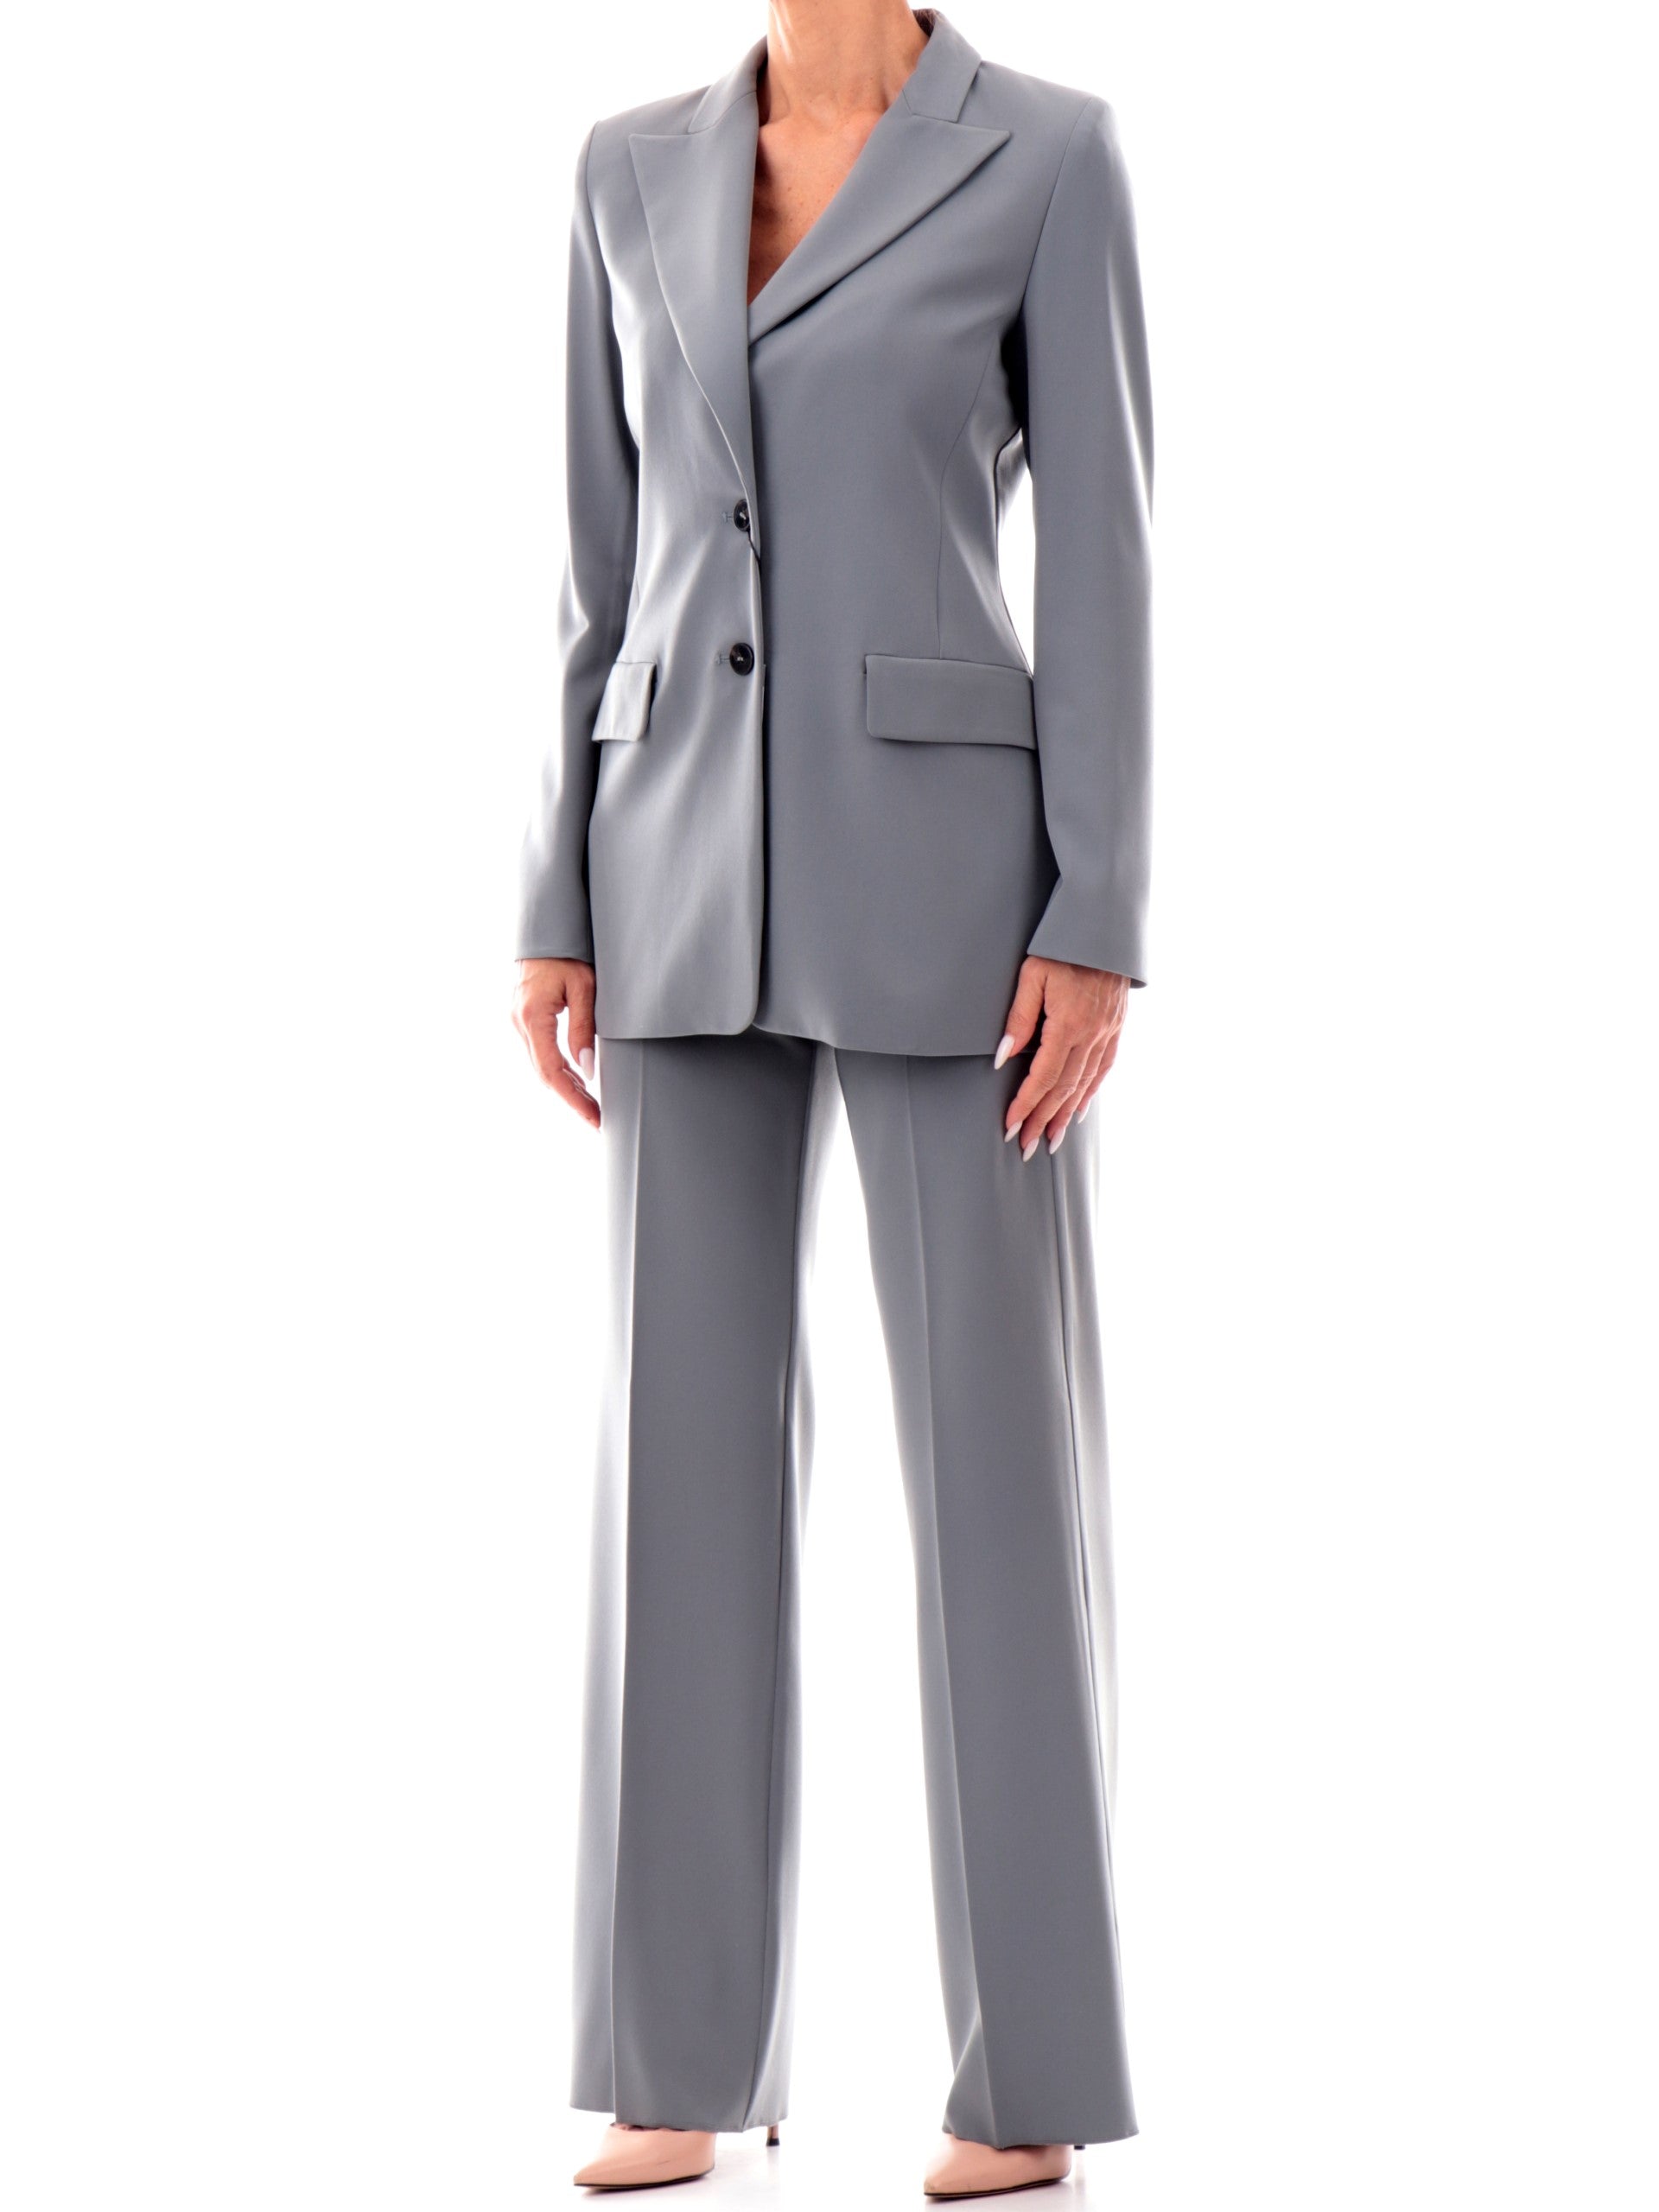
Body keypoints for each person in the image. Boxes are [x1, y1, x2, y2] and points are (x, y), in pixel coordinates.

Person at [512, 3, 1154, 2196]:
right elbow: (593, 572)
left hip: (957, 898)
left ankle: (1028, 2067)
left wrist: (1100, 903)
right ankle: (675, 2053)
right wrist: (553, 891)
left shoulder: (1047, 153)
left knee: (998, 1476)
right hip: (670, 873)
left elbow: (1109, 558)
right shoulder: (622, 166)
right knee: (676, 1482)